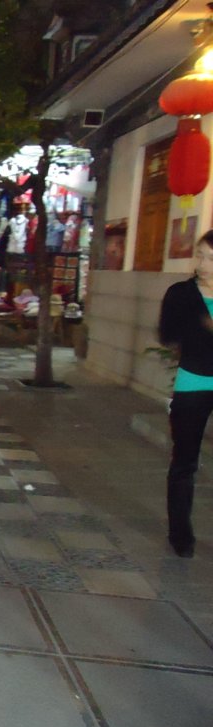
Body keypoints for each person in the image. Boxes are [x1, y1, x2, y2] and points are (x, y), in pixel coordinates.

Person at [158, 229, 213, 558]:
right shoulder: (181, 294)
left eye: (211, 259)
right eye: (201, 256)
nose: (203, 264)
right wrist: (202, 326)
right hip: (194, 382)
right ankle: (180, 534)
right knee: (184, 461)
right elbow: (167, 335)